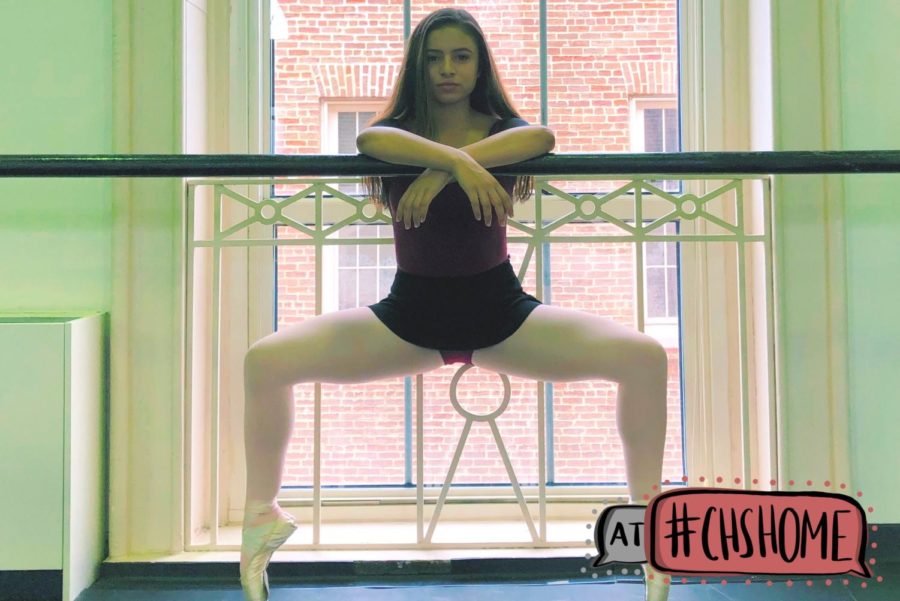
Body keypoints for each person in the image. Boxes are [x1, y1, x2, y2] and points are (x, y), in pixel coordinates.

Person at [239, 8, 670, 601]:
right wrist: (454, 162)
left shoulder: (499, 129)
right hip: (407, 319)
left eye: (461, 56)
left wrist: (444, 171)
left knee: (644, 357)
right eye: (435, 56)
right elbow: (369, 137)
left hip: (502, 316)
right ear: (419, 65)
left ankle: (646, 527)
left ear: (479, 65)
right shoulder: (399, 134)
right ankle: (261, 518)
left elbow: (541, 138)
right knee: (265, 361)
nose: (447, 69)